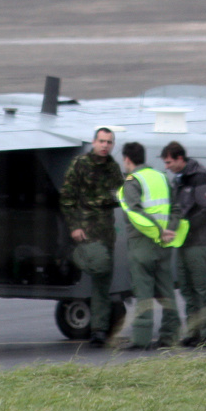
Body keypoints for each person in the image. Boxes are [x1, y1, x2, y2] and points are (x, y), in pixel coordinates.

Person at [59, 127, 123, 347]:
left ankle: (98, 330)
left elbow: (119, 195)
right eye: (102, 141)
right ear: (94, 142)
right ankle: (71, 254)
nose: (105, 145)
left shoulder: (113, 168)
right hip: (86, 231)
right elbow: (67, 197)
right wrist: (74, 226)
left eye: (109, 142)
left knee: (102, 282)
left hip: (106, 233)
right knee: (100, 270)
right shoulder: (80, 164)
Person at [117, 141, 182, 349]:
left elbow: (135, 212)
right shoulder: (161, 177)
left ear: (127, 159)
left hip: (143, 243)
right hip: (164, 245)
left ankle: (141, 339)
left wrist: (157, 230)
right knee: (166, 292)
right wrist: (169, 229)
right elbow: (176, 208)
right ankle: (170, 336)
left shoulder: (132, 181)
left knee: (143, 292)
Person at [162, 141, 206, 346]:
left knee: (202, 288)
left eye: (169, 162)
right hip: (184, 243)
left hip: (198, 242)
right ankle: (193, 332)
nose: (166, 166)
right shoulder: (179, 180)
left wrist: (187, 226)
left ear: (179, 158)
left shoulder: (197, 177)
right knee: (186, 288)